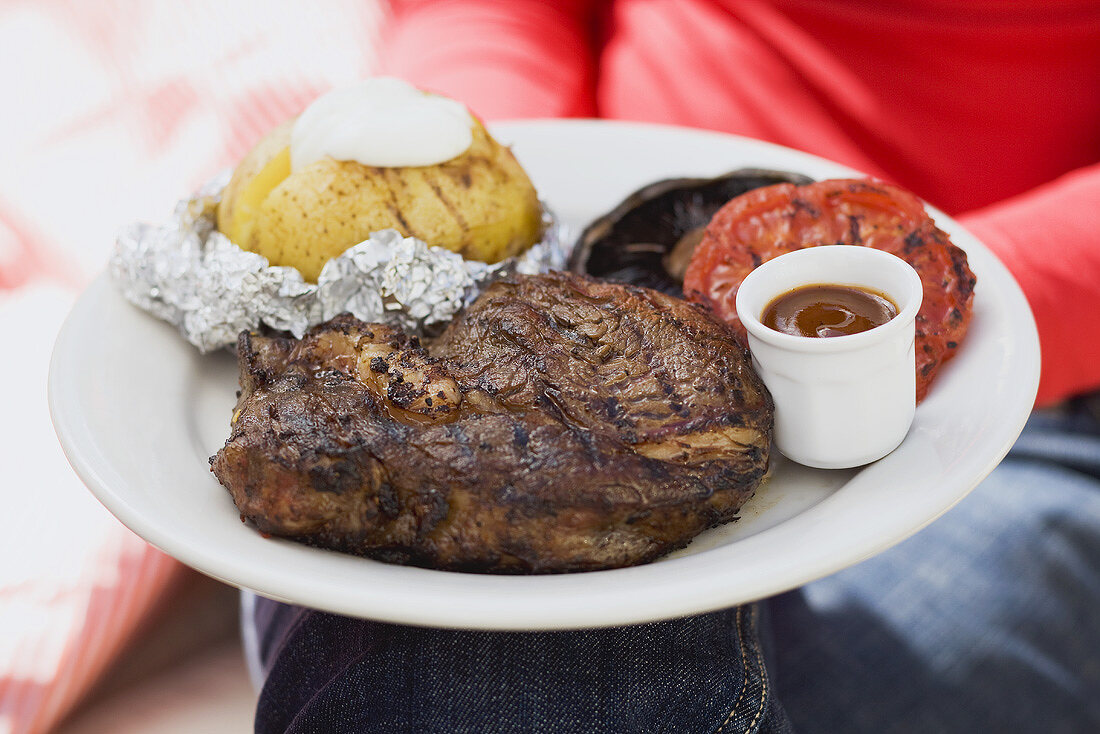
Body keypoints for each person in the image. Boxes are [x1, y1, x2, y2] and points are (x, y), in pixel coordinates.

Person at [244, 2, 1100, 731]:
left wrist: (930, 306)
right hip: (578, 296)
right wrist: (484, 200)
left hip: (1011, 406)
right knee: (465, 654)